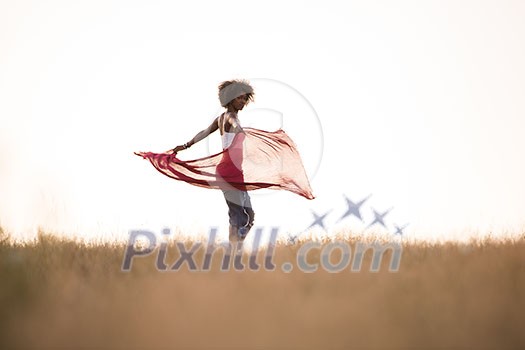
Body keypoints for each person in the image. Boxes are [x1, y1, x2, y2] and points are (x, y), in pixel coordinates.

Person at [169, 80, 256, 242]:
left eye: (245, 99)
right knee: (239, 214)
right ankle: (233, 251)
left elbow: (204, 133)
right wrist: (239, 129)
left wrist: (186, 145)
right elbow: (233, 124)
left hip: (233, 171)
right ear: (230, 98)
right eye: (239, 98)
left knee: (247, 215)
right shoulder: (230, 117)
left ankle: (235, 246)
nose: (243, 102)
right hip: (230, 170)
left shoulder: (221, 118)